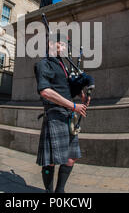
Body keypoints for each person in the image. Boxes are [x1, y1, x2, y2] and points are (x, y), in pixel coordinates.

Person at [34, 32, 89, 193]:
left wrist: (81, 93)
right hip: (55, 114)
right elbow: (45, 91)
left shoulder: (63, 66)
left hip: (67, 116)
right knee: (50, 161)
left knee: (72, 157)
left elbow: (65, 88)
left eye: (65, 45)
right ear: (51, 44)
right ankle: (49, 192)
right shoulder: (43, 64)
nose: (64, 48)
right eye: (61, 44)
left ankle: (60, 191)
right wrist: (73, 106)